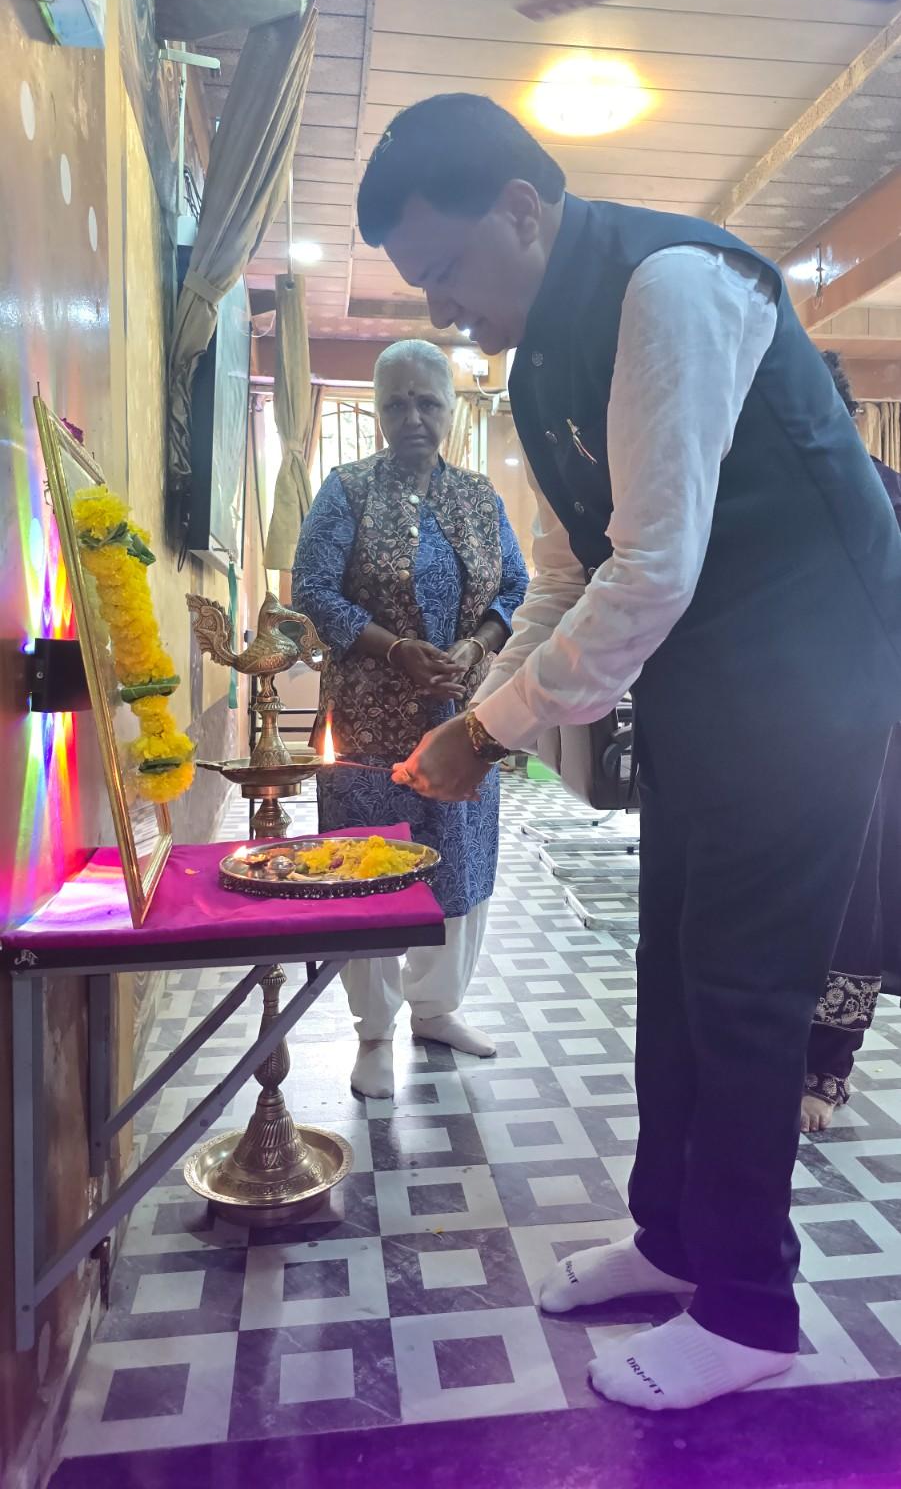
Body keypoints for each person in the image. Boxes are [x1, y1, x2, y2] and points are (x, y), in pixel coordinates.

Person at [356, 94, 901, 1410]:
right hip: (715, 684)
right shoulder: (540, 358)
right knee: (675, 965)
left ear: (521, 209)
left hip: (817, 677)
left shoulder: (673, 286)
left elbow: (653, 566)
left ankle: (750, 1310)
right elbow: (568, 571)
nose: (440, 308)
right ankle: (674, 1240)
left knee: (747, 989)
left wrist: (484, 733)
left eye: (445, 269)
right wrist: (483, 706)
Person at [292, 339, 528, 1099]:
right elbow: (312, 590)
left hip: (462, 721)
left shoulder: (479, 498)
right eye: (396, 404)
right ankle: (373, 1032)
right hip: (369, 724)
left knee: (460, 864)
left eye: (427, 402)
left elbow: (515, 588)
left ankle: (436, 1010)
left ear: (451, 407)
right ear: (377, 411)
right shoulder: (347, 490)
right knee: (370, 871)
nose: (413, 418)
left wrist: (475, 645)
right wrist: (395, 649)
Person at [802, 351, 901, 1133]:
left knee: (853, 905)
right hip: (764, 733)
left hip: (868, 735)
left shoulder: (890, 496)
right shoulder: (756, 498)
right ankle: (762, 1056)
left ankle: (824, 1069)